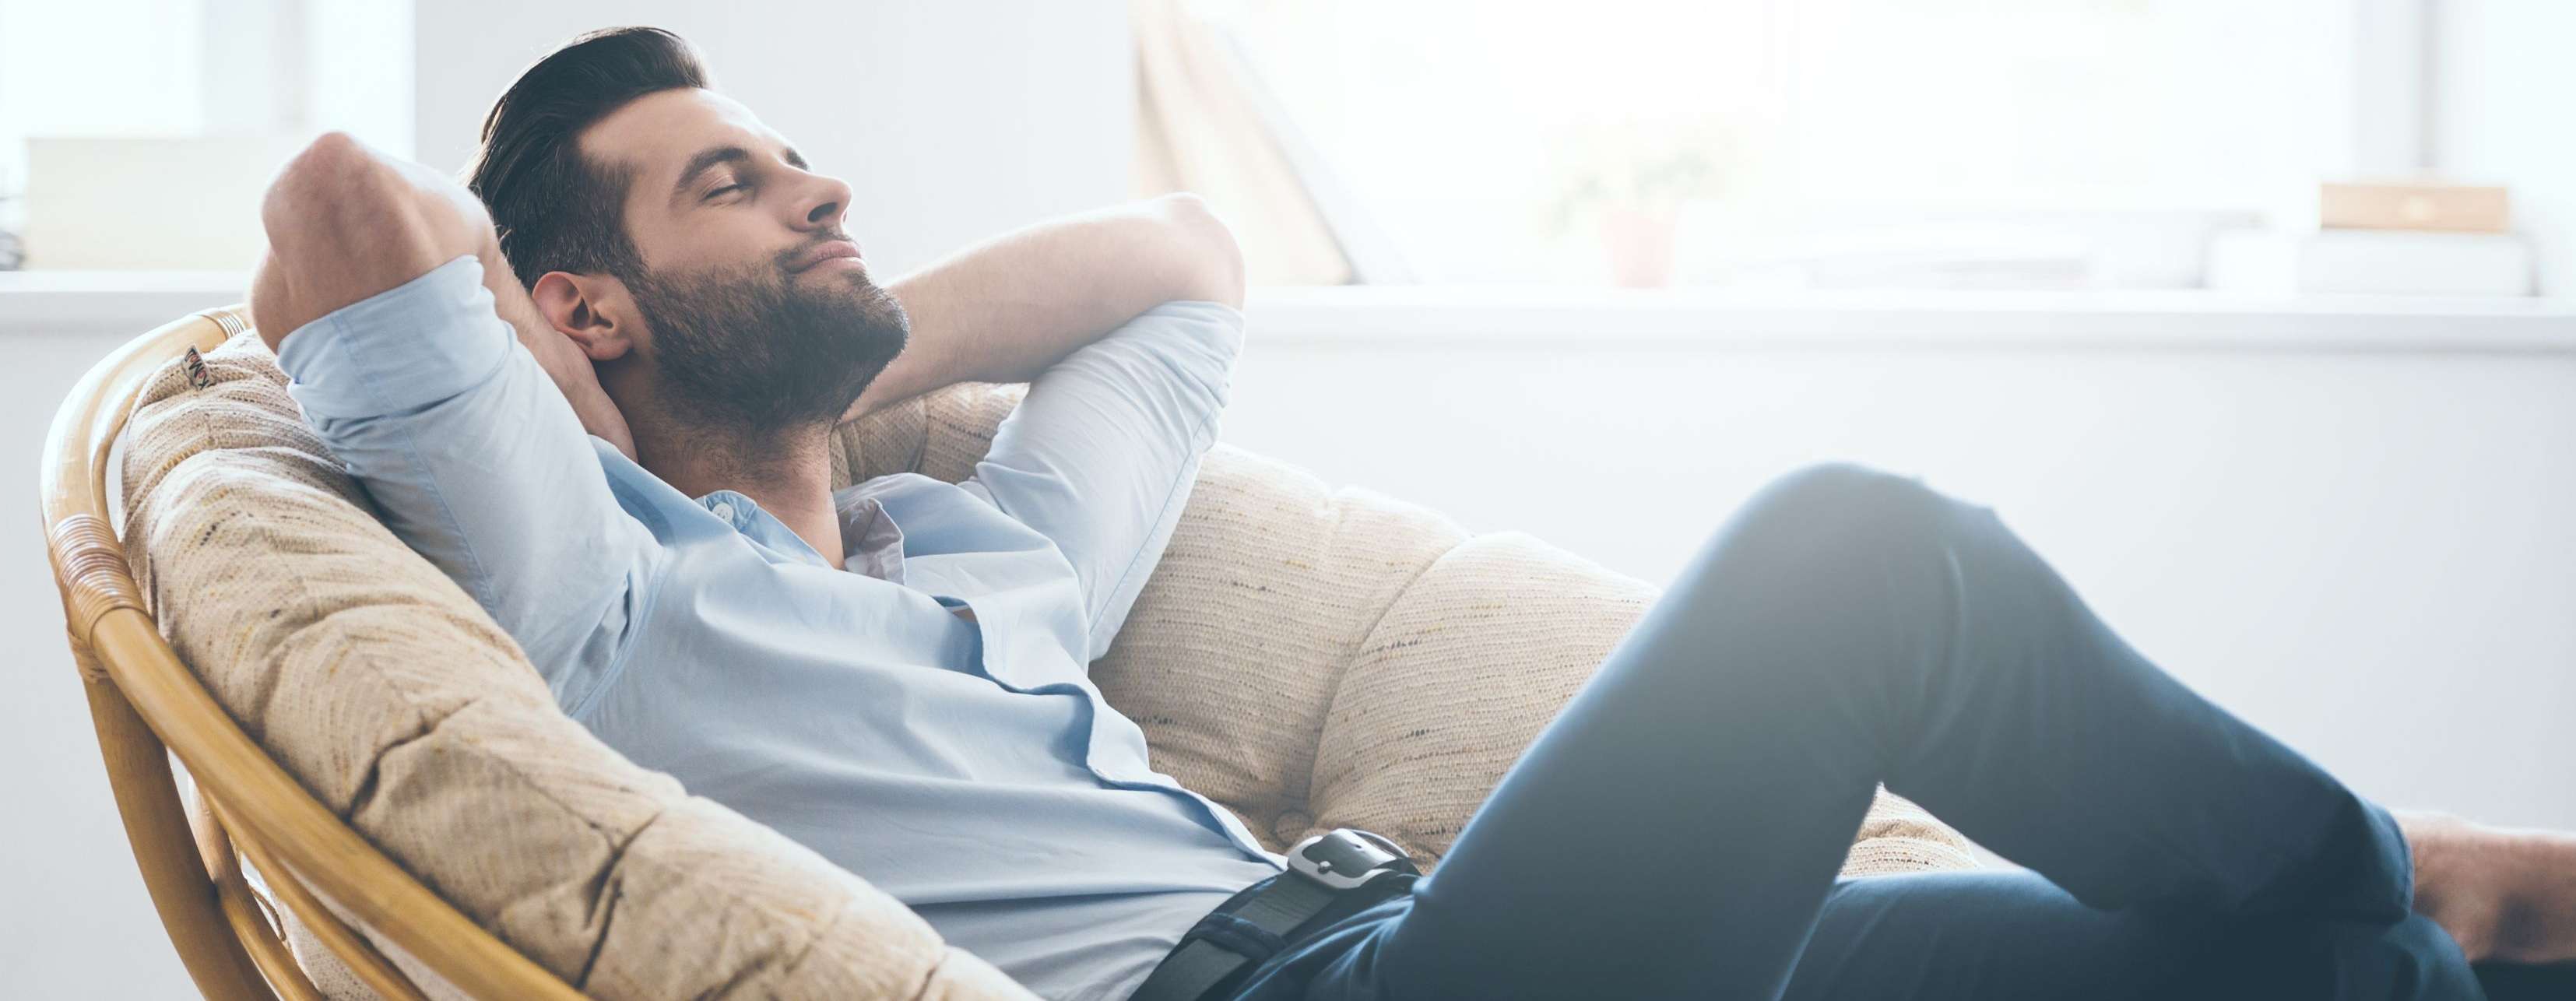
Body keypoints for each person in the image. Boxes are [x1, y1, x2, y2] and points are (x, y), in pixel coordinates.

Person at [247, 26, 2575, 1001]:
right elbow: (345, 207)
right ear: (579, 310)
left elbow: (1182, 263)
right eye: (731, 190)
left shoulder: (990, 556)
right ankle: (2404, 863)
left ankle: (2392, 902)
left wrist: (835, 352)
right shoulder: (611, 595)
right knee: (1857, 557)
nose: (820, 191)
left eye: (798, 160)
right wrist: (588, 387)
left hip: (1418, 940)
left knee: (2309, 974)